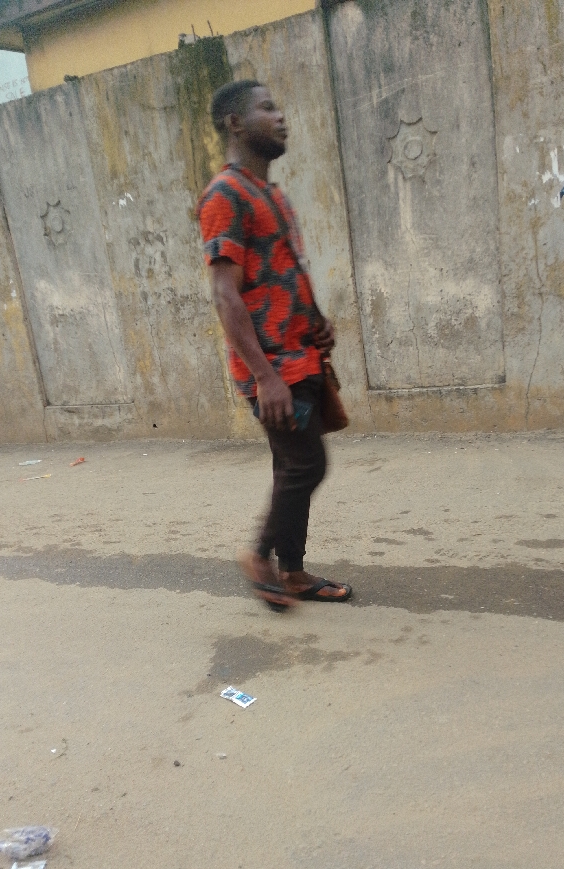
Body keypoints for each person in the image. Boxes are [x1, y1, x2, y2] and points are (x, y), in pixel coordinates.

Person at [196, 79, 352, 612]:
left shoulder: (273, 196)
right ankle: (258, 556)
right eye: (267, 108)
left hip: (300, 356)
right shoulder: (225, 195)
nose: (280, 116)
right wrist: (266, 377)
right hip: (273, 369)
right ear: (236, 123)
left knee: (292, 468)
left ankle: (295, 573)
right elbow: (226, 294)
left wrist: (317, 321)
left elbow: (283, 274)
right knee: (307, 466)